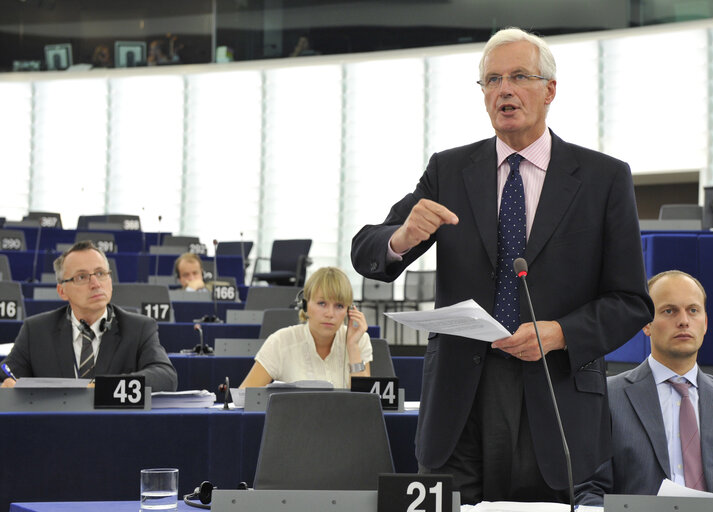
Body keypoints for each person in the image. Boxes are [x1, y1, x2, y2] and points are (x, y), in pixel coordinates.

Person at [351, 27, 653, 504]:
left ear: (549, 89)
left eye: (518, 77)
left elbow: (631, 302)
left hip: (556, 401)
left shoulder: (603, 178)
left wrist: (559, 333)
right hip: (459, 406)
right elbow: (366, 251)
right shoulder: (449, 171)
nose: (503, 90)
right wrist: (402, 237)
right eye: (491, 80)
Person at [576, 270, 713, 504]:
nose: (684, 321)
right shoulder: (608, 398)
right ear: (645, 323)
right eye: (669, 311)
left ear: (705, 323)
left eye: (693, 310)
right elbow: (589, 492)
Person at [0, 240, 177, 392]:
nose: (95, 284)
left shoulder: (138, 328)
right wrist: (5, 384)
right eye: (82, 277)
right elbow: (6, 374)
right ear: (62, 291)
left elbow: (165, 377)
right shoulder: (37, 330)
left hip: (114, 427)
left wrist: (103, 387)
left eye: (101, 274)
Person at [239, 267, 372, 389]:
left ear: (349, 311)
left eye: (339, 306)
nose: (330, 314)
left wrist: (353, 347)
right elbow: (244, 398)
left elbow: (366, 405)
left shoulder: (359, 340)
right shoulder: (280, 341)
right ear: (305, 306)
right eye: (322, 303)